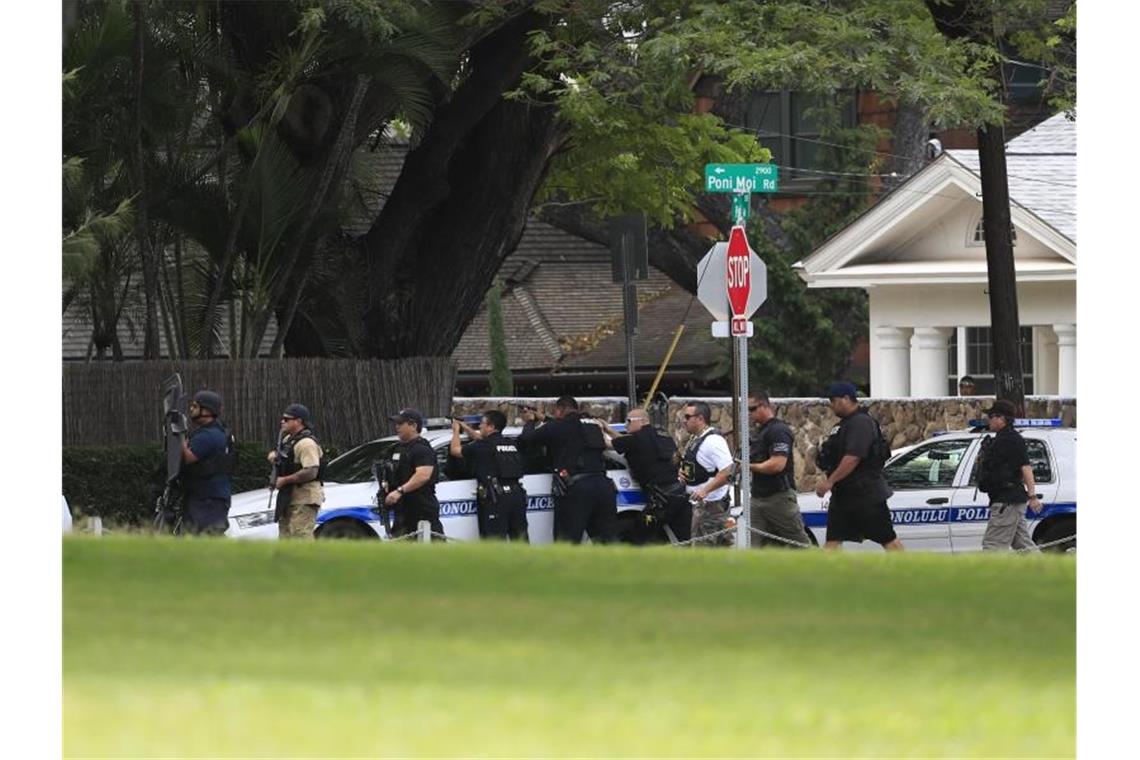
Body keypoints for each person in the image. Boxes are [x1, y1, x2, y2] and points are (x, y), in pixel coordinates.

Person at [814, 382, 903, 551]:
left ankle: (909, 573)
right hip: (843, 496)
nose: (832, 406)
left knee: (888, 539)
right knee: (833, 541)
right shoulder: (842, 426)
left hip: (866, 495)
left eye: (834, 401)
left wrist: (829, 482)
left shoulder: (861, 423)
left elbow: (853, 457)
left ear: (846, 399)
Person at [517, 396, 617, 544]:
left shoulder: (558, 427)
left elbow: (528, 438)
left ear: (559, 410)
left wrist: (530, 421)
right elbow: (567, 428)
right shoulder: (592, 425)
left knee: (566, 542)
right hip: (604, 486)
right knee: (605, 541)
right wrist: (544, 419)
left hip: (576, 490)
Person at [599, 408, 690, 544]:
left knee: (639, 532)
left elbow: (607, 444)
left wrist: (600, 429)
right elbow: (625, 441)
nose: (626, 425)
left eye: (629, 421)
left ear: (642, 421)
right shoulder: (664, 436)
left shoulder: (635, 441)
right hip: (681, 496)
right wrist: (608, 429)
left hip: (661, 501)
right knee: (684, 540)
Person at [747, 390, 812, 549]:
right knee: (753, 546)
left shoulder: (778, 430)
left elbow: (777, 464)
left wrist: (748, 466)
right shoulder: (760, 431)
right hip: (758, 498)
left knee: (800, 545)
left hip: (778, 498)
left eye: (752, 409)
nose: (749, 414)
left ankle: (821, 571)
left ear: (764, 406)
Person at [450, 410, 528, 541]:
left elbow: (455, 450)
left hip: (496, 499)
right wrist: (466, 427)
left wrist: (456, 431)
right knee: (520, 538)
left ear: (491, 426)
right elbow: (482, 439)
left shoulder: (482, 446)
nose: (480, 427)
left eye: (482, 424)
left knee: (494, 541)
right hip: (517, 496)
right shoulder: (510, 443)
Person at [976, 399, 1042, 552]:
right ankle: (1047, 572)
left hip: (1007, 502)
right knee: (1023, 546)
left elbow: (1025, 467)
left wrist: (1033, 496)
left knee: (993, 547)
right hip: (1009, 501)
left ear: (1001, 418)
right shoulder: (1000, 439)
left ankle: (990, 576)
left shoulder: (1011, 439)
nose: (989, 420)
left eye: (991, 416)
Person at [678, 401, 734, 546]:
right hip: (701, 506)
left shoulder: (713, 441)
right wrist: (683, 474)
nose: (684, 421)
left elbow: (728, 472)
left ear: (700, 418)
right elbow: (697, 465)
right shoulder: (696, 438)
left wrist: (705, 491)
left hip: (711, 507)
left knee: (704, 555)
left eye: (688, 417)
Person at [180, 390, 234, 535]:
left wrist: (178, 440)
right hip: (205, 498)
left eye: (195, 406)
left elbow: (188, 457)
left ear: (207, 410)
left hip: (208, 501)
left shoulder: (208, 435)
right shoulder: (213, 431)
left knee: (206, 540)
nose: (191, 409)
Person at [268, 403, 325, 539]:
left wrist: (285, 480)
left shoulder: (306, 443)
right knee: (286, 538)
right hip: (288, 498)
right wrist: (275, 456)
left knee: (300, 537)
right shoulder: (289, 440)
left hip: (305, 498)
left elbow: (311, 471)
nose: (282, 422)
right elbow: (284, 456)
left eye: (287, 419)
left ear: (299, 421)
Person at [385, 408, 444, 539]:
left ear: (413, 426)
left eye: (401, 424)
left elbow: (423, 476)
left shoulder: (421, 449)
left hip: (421, 506)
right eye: (396, 423)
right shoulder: (398, 449)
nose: (397, 427)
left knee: (433, 547)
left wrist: (399, 491)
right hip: (403, 508)